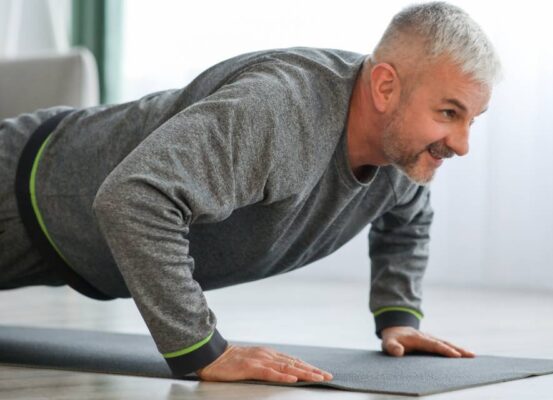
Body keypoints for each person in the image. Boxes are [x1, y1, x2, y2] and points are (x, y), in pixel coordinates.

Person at [0, 1, 499, 383]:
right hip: (21, 184)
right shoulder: (280, 110)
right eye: (448, 113)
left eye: (471, 120)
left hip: (66, 245)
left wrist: (397, 315)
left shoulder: (399, 155)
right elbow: (135, 197)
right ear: (386, 87)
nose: (461, 144)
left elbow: (407, 216)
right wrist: (202, 349)